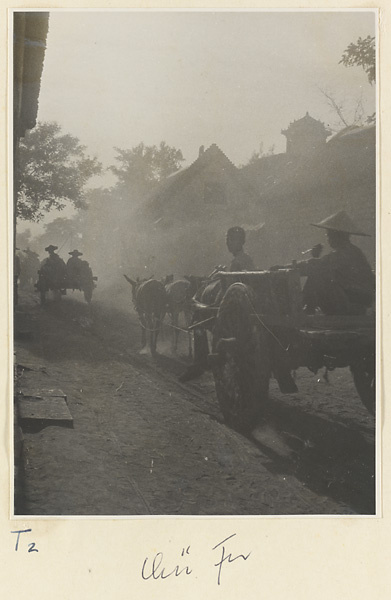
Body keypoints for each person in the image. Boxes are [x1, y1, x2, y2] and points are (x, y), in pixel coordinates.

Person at [179, 226, 255, 382]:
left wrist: (212, 305)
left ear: (240, 242)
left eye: (230, 240)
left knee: (198, 320)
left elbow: (229, 290)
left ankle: (200, 363)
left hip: (234, 307)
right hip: (245, 303)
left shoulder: (237, 262)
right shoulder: (247, 259)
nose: (228, 244)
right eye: (227, 240)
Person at [273, 211, 375, 315]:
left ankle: (306, 308)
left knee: (318, 274)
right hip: (350, 300)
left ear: (338, 236)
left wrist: (283, 268)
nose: (328, 239)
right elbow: (320, 264)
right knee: (319, 273)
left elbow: (315, 266)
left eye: (329, 235)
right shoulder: (349, 251)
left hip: (354, 305)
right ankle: (306, 307)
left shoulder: (347, 253)